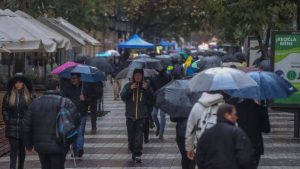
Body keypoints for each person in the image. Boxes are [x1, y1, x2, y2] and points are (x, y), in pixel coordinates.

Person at [22, 79, 79, 169]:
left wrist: (28, 145)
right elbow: (76, 119)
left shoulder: (34, 104)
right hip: (59, 143)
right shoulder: (65, 102)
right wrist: (69, 138)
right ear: (57, 87)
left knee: (45, 166)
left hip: (41, 146)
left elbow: (26, 126)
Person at [196, 104, 254, 169]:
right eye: (234, 114)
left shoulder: (206, 134)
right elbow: (245, 157)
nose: (236, 117)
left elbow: (199, 157)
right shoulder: (237, 133)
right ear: (227, 115)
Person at [120, 69, 153, 163]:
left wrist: (147, 90)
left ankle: (137, 153)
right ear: (133, 76)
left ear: (142, 76)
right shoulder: (128, 85)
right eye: (136, 75)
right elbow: (123, 97)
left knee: (139, 136)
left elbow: (151, 99)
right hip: (130, 116)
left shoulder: (146, 86)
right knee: (131, 137)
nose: (138, 76)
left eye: (140, 75)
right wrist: (130, 89)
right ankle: (132, 149)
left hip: (141, 116)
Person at [2, 73, 32, 169]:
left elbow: (31, 111)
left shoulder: (28, 95)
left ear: (23, 83)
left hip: (24, 128)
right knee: (14, 151)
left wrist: (28, 123)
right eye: (16, 82)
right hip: (12, 128)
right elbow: (4, 109)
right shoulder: (9, 95)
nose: (18, 84)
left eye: (20, 82)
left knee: (22, 151)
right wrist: (7, 120)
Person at [185, 92, 224, 161]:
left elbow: (190, 130)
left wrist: (189, 148)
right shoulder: (225, 107)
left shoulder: (196, 106)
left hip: (200, 148)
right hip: (220, 150)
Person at [62, 73, 91, 157]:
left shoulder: (84, 87)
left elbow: (91, 99)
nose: (73, 80)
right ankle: (75, 149)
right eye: (71, 78)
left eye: (75, 78)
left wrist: (85, 99)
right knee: (73, 132)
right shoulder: (67, 88)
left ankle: (79, 149)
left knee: (80, 131)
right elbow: (64, 99)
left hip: (82, 113)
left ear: (79, 78)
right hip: (71, 114)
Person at [235, 99, 271, 168]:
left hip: (239, 144)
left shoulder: (235, 108)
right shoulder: (261, 109)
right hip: (255, 146)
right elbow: (266, 129)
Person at [150, 69, 171, 140]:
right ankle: (158, 126)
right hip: (155, 98)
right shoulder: (154, 76)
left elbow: (169, 85)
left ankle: (161, 134)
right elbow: (151, 86)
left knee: (162, 116)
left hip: (163, 99)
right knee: (153, 114)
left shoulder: (167, 76)